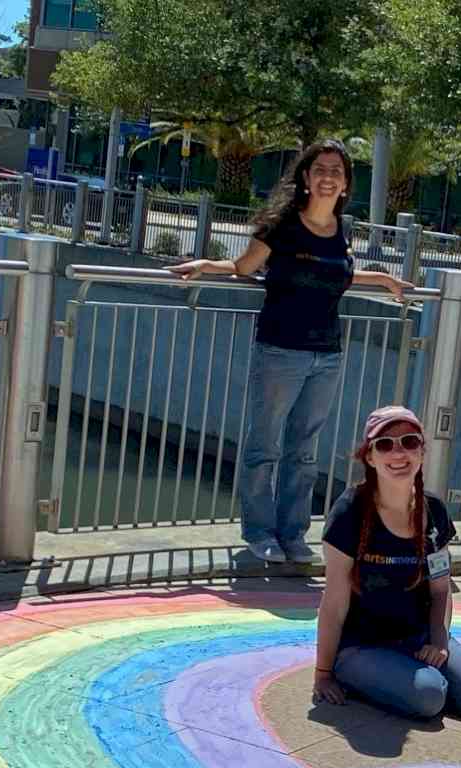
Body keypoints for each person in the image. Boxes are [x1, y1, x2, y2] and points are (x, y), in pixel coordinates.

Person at [168, 141, 413, 565]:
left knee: (304, 450)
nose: (328, 177)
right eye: (320, 169)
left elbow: (334, 276)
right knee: (265, 447)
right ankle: (259, 533)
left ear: (345, 184)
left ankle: (294, 535)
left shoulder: (340, 230)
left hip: (327, 355)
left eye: (337, 171)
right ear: (305, 177)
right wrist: (208, 265)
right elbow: (246, 268)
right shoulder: (282, 225)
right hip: (280, 350)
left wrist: (383, 278)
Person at [311, 405, 461, 722]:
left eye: (409, 442)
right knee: (430, 696)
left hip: (418, 638)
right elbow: (334, 604)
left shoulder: (433, 510)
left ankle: (443, 672)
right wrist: (323, 673)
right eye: (385, 444)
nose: (398, 452)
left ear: (421, 451)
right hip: (363, 645)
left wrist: (440, 642)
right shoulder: (349, 511)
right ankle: (379, 677)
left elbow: (441, 589)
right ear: (369, 456)